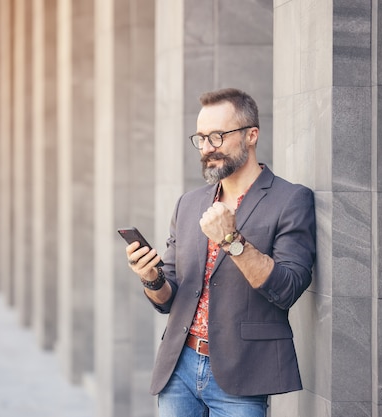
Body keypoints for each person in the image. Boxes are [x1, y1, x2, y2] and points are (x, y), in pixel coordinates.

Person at [125, 88, 316, 417]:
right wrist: (151, 278)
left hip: (242, 375)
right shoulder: (190, 204)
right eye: (200, 138)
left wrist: (231, 239)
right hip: (179, 369)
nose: (207, 148)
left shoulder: (290, 200)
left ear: (251, 135)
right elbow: (168, 299)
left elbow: (288, 288)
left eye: (217, 136)